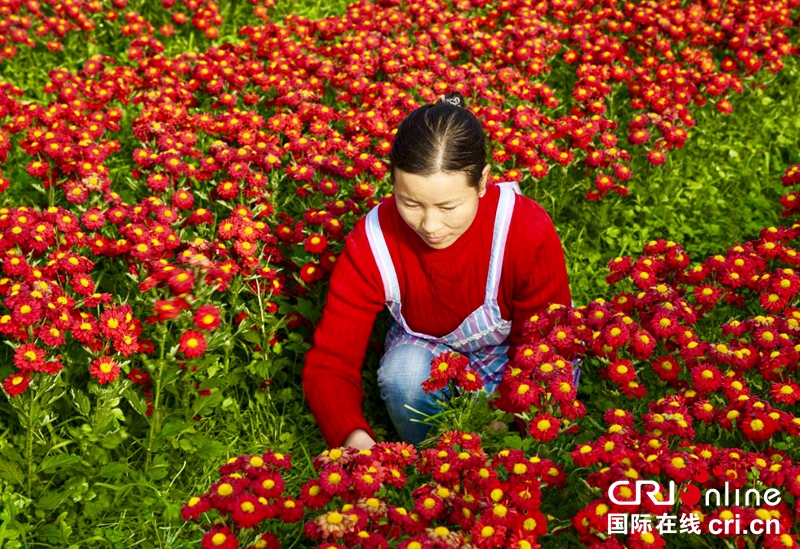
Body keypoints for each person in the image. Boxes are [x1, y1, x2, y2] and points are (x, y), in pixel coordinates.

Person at [301, 91, 572, 450]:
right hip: (425, 360)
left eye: (449, 206)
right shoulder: (373, 240)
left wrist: (499, 431)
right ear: (393, 182)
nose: (430, 225)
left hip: (515, 367)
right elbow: (331, 361)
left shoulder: (523, 230)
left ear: (482, 182)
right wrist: (354, 441)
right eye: (409, 202)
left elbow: (545, 345)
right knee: (401, 373)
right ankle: (428, 462)